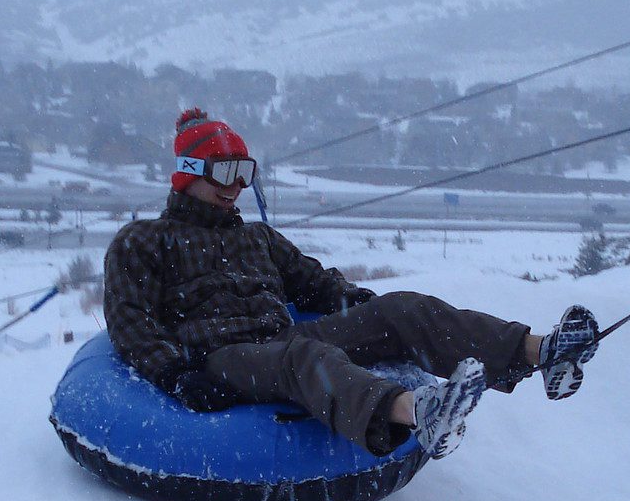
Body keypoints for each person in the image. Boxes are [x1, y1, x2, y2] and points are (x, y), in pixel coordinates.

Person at [102, 109, 599, 460]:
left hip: (280, 339)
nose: (236, 186)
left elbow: (314, 283)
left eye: (244, 172)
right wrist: (175, 375)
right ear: (188, 173)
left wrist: (362, 307)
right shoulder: (146, 241)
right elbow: (131, 321)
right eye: (225, 172)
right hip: (221, 355)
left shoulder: (258, 238)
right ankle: (416, 412)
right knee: (303, 359)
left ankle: (542, 352)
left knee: (400, 308)